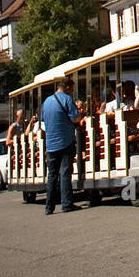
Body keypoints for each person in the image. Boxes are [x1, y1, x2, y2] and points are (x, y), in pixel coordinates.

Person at [40, 78, 85, 214]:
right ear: (66, 87)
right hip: (65, 141)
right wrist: (80, 116)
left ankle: (49, 207)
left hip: (51, 144)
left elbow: (43, 123)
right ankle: (66, 204)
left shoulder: (46, 102)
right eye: (71, 89)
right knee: (65, 173)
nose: (72, 92)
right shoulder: (66, 99)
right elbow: (75, 118)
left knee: (52, 176)